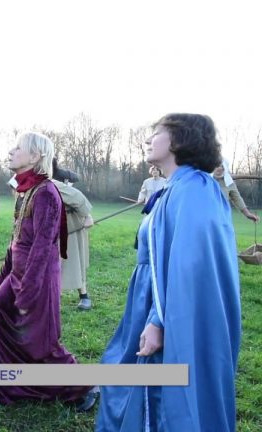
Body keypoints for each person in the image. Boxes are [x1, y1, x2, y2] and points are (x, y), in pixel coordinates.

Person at [96, 114, 241, 431]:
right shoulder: (174, 188)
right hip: (148, 297)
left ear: (179, 139)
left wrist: (159, 321)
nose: (148, 140)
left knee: (164, 395)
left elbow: (191, 265)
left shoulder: (195, 190)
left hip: (169, 307)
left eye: (156, 133)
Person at [0, 131, 97, 411]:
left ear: (35, 156)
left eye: (17, 147)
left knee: (40, 343)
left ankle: (84, 387)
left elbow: (43, 248)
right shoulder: (26, 190)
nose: (10, 151)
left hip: (37, 281)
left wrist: (27, 292)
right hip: (16, 276)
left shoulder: (46, 193)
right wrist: (1, 282)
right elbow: (16, 242)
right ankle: (6, 386)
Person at [52, 173, 94, 310]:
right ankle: (53, 298)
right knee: (53, 265)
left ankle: (84, 295)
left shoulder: (50, 183)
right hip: (52, 231)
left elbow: (77, 197)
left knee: (76, 261)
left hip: (73, 227)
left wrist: (87, 216)